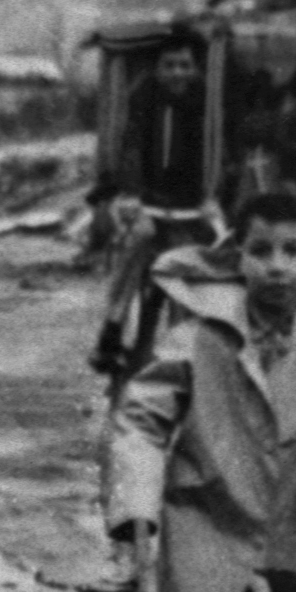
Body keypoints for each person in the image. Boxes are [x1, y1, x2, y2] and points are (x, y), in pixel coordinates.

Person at [100, 184, 296, 592]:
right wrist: (137, 497)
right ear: (238, 256)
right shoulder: (198, 339)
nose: (277, 267)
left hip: (293, 543)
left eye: (292, 250)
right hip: (205, 534)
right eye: (261, 250)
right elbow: (141, 421)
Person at [91, 37, 222, 383]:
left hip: (191, 206)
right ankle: (113, 325)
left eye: (185, 66)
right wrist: (132, 194)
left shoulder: (207, 103)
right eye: (169, 66)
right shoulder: (144, 98)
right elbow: (131, 145)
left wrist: (214, 195)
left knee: (214, 258)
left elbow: (220, 151)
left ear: (195, 69)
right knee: (139, 239)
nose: (177, 73)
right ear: (157, 68)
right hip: (148, 199)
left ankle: (213, 343)